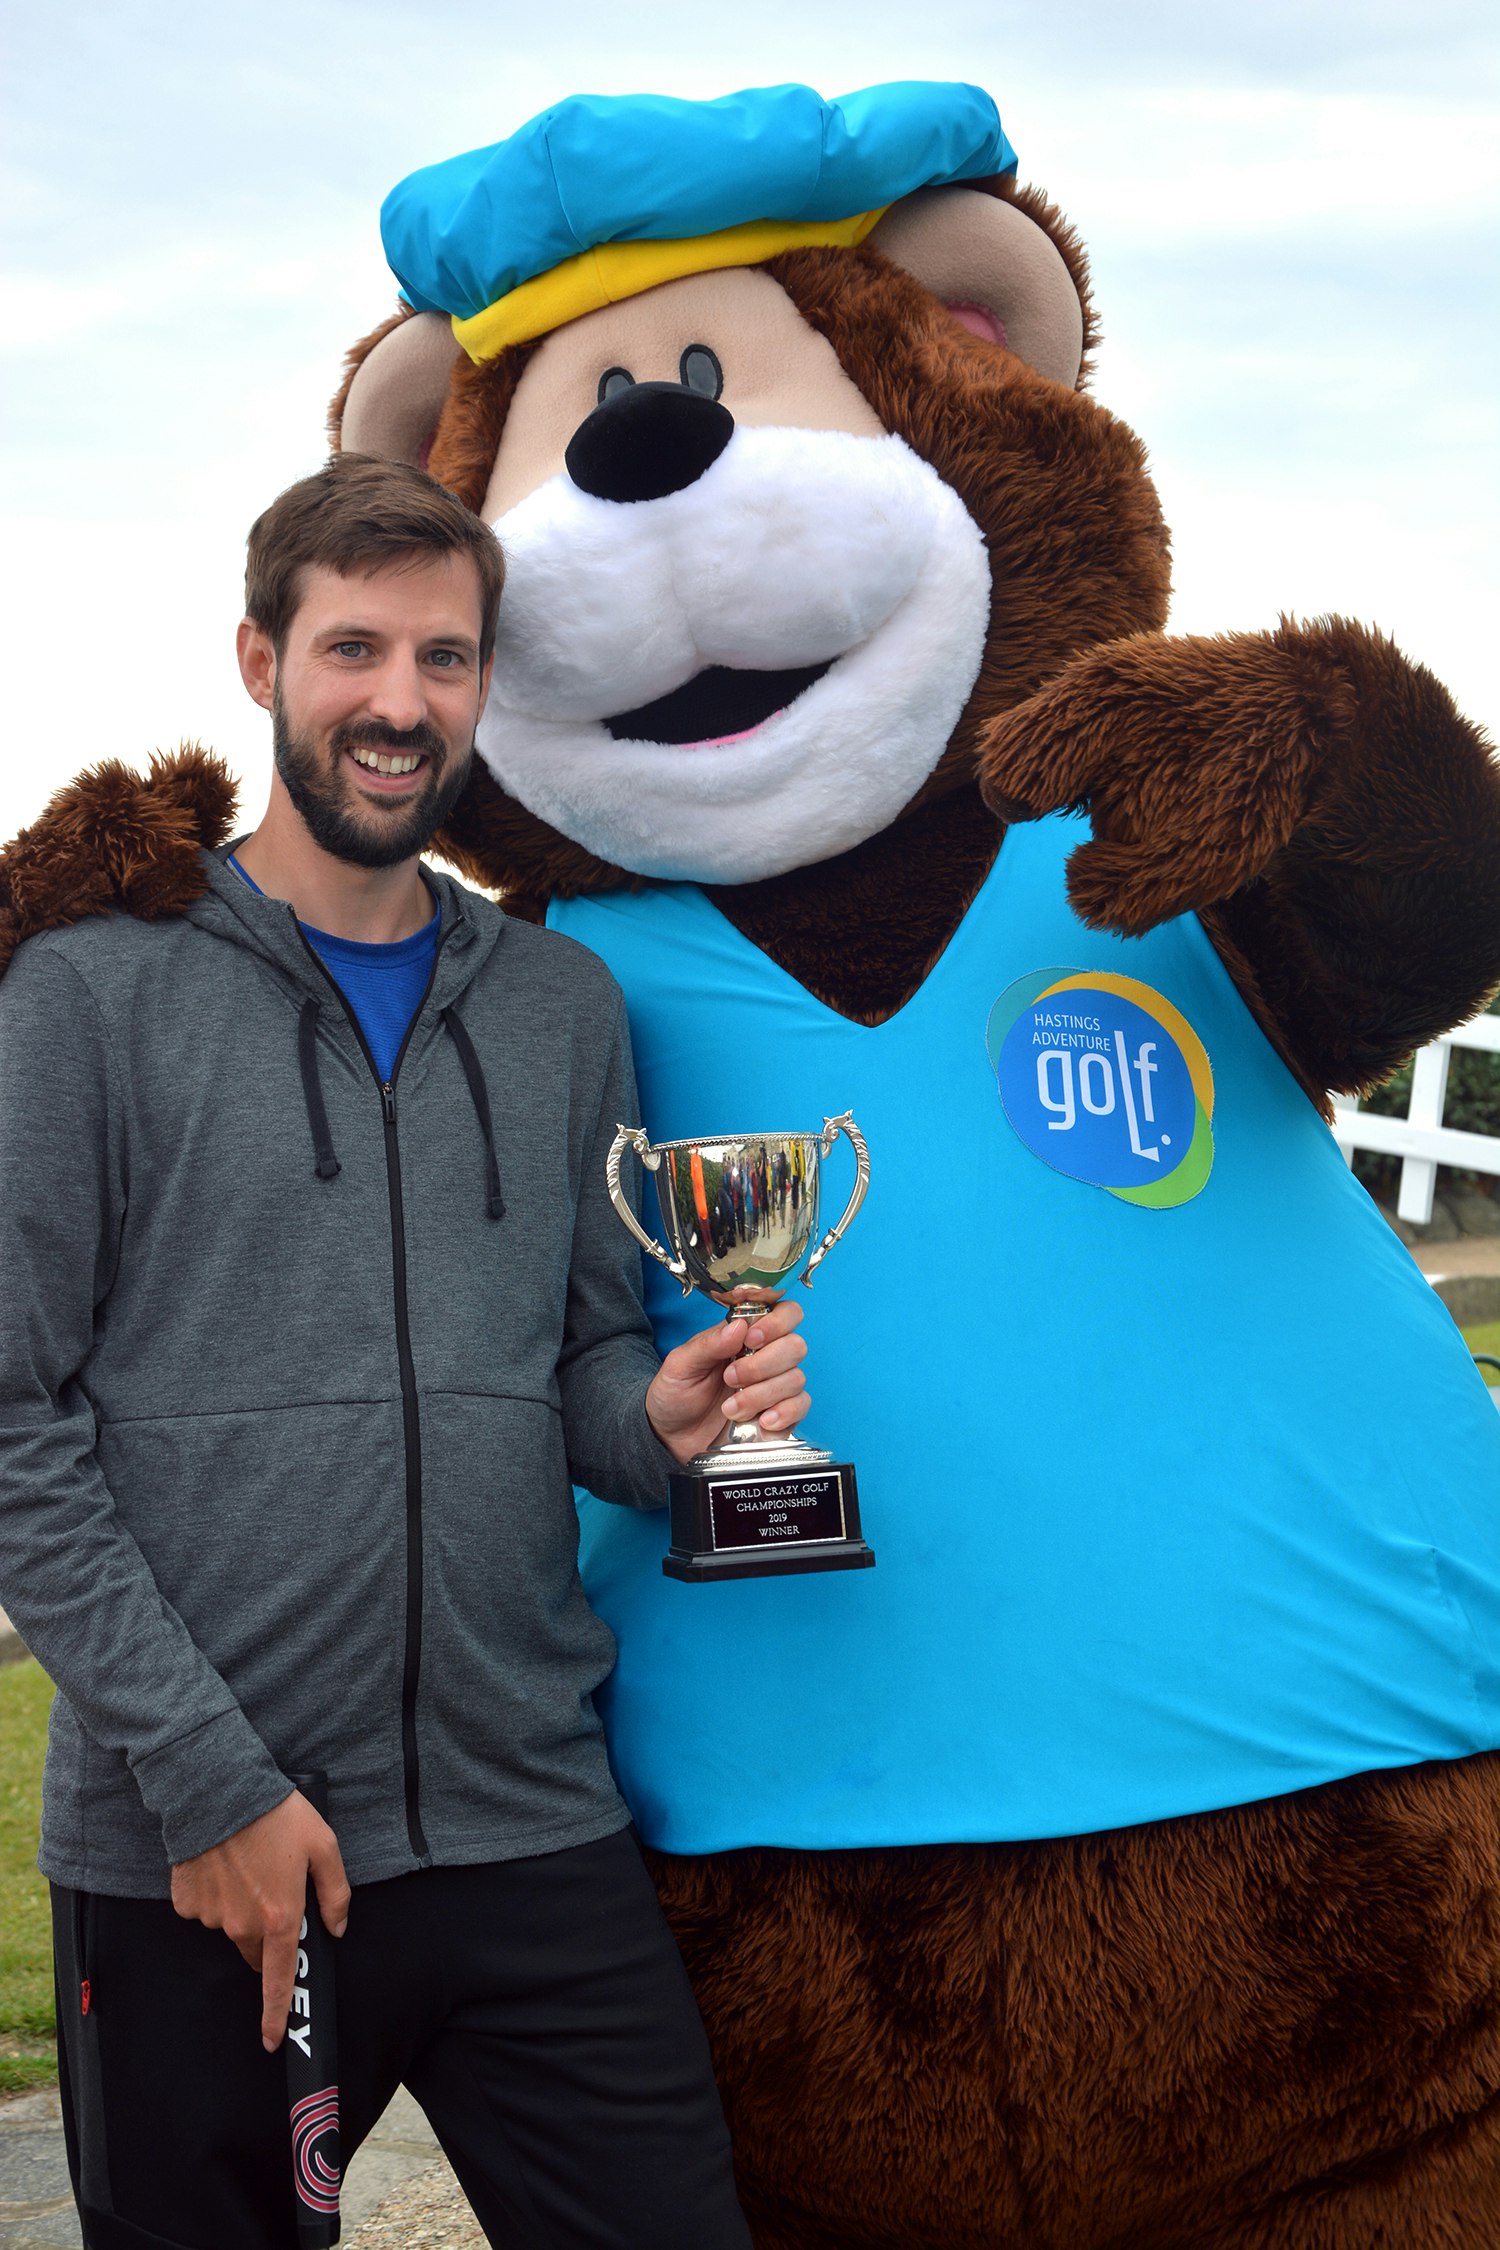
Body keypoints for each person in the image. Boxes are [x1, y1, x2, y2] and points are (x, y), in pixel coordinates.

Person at [0, 453, 811, 2250]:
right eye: (353, 647)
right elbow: (12, 1424)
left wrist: (658, 1415)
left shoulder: (559, 1006)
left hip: (532, 1817)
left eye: (444, 658)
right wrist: (207, 1783)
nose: (399, 700)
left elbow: (583, 1366)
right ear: (259, 659)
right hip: (211, 1856)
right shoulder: (87, 989)